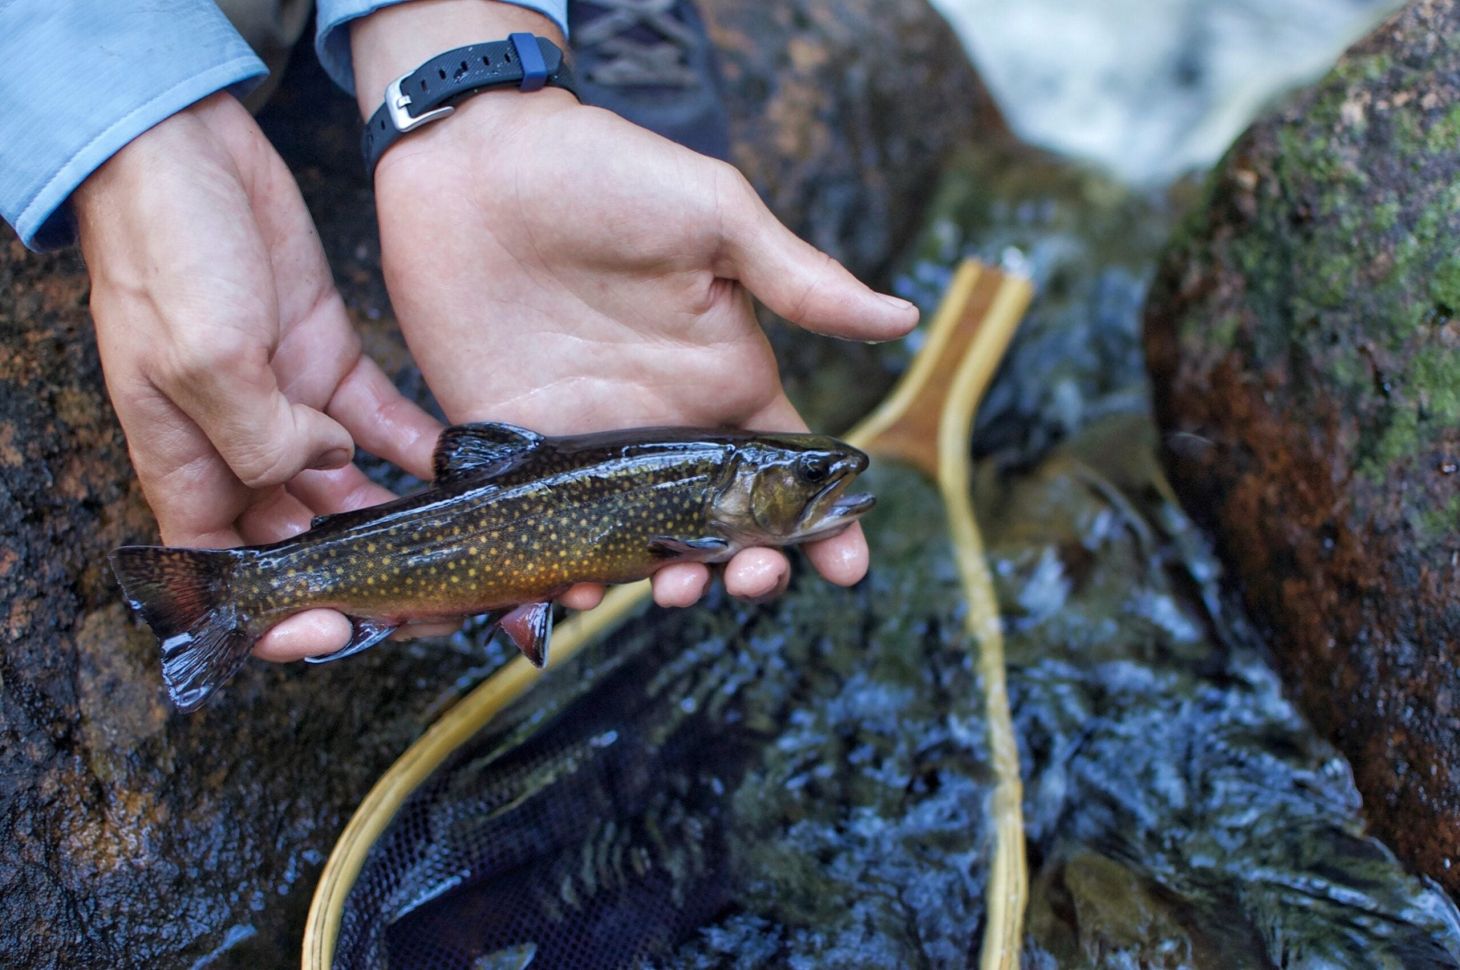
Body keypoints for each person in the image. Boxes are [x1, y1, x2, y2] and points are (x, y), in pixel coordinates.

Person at [0, 0, 918, 662]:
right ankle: (239, 594)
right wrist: (132, 138)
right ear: (742, 486)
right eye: (803, 473)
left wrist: (454, 52)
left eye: (807, 472)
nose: (822, 474)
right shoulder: (698, 508)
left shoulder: (703, 508)